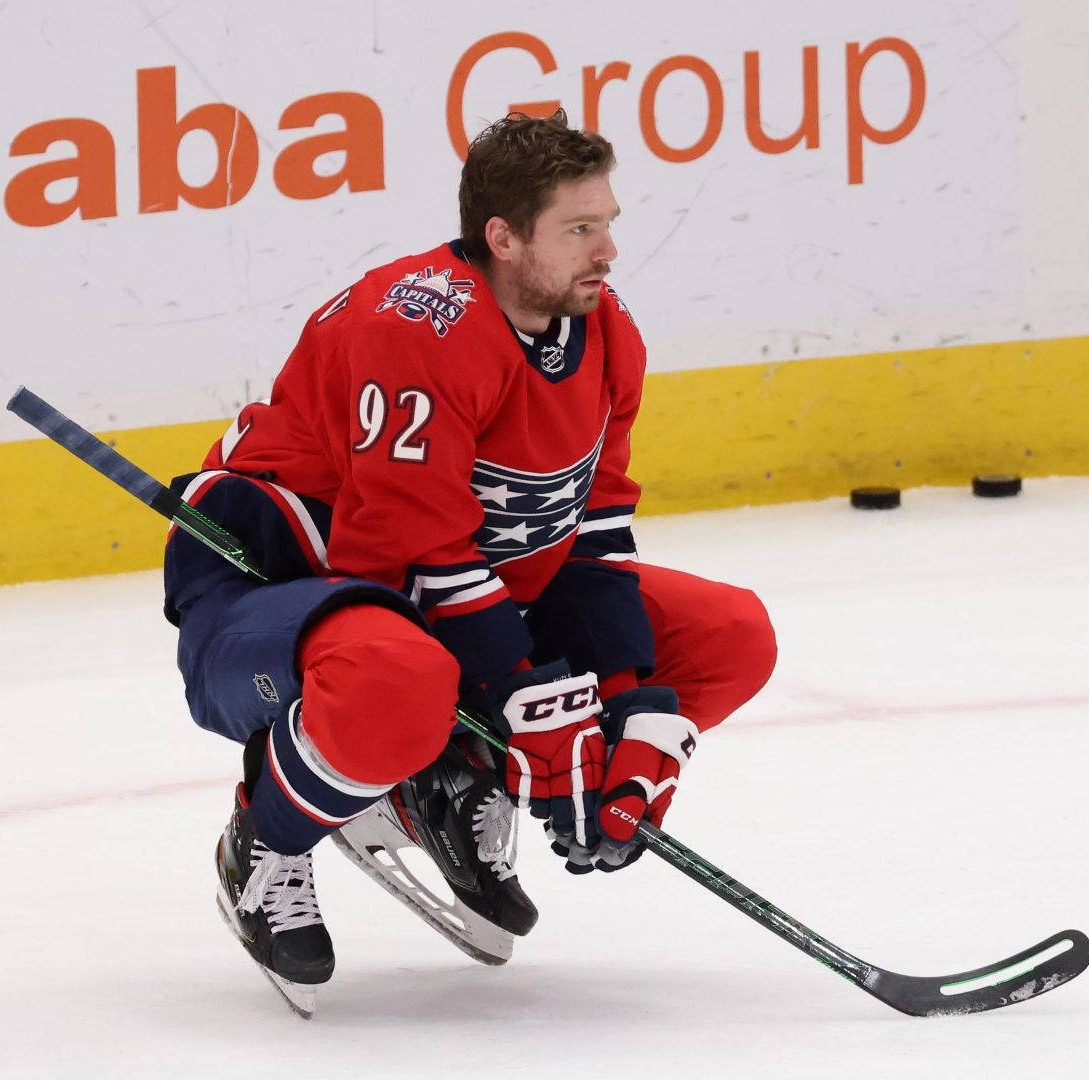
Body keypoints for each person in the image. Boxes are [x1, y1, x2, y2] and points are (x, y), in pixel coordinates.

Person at [161, 110, 777, 1014]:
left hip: (446, 597)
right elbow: (416, 556)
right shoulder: (417, 328)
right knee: (396, 679)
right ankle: (268, 834)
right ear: (503, 236)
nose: (607, 250)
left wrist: (635, 706)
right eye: (579, 229)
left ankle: (438, 783)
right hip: (288, 589)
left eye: (608, 222)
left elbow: (593, 528)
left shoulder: (603, 331)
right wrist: (527, 697)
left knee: (729, 637)